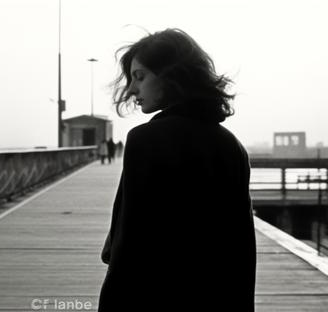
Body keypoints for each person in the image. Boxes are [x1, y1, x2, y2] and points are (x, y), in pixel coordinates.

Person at [99, 28, 256, 311]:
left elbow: (131, 243)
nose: (133, 90)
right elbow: (241, 249)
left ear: (172, 76)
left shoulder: (145, 140)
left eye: (140, 77)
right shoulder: (231, 145)